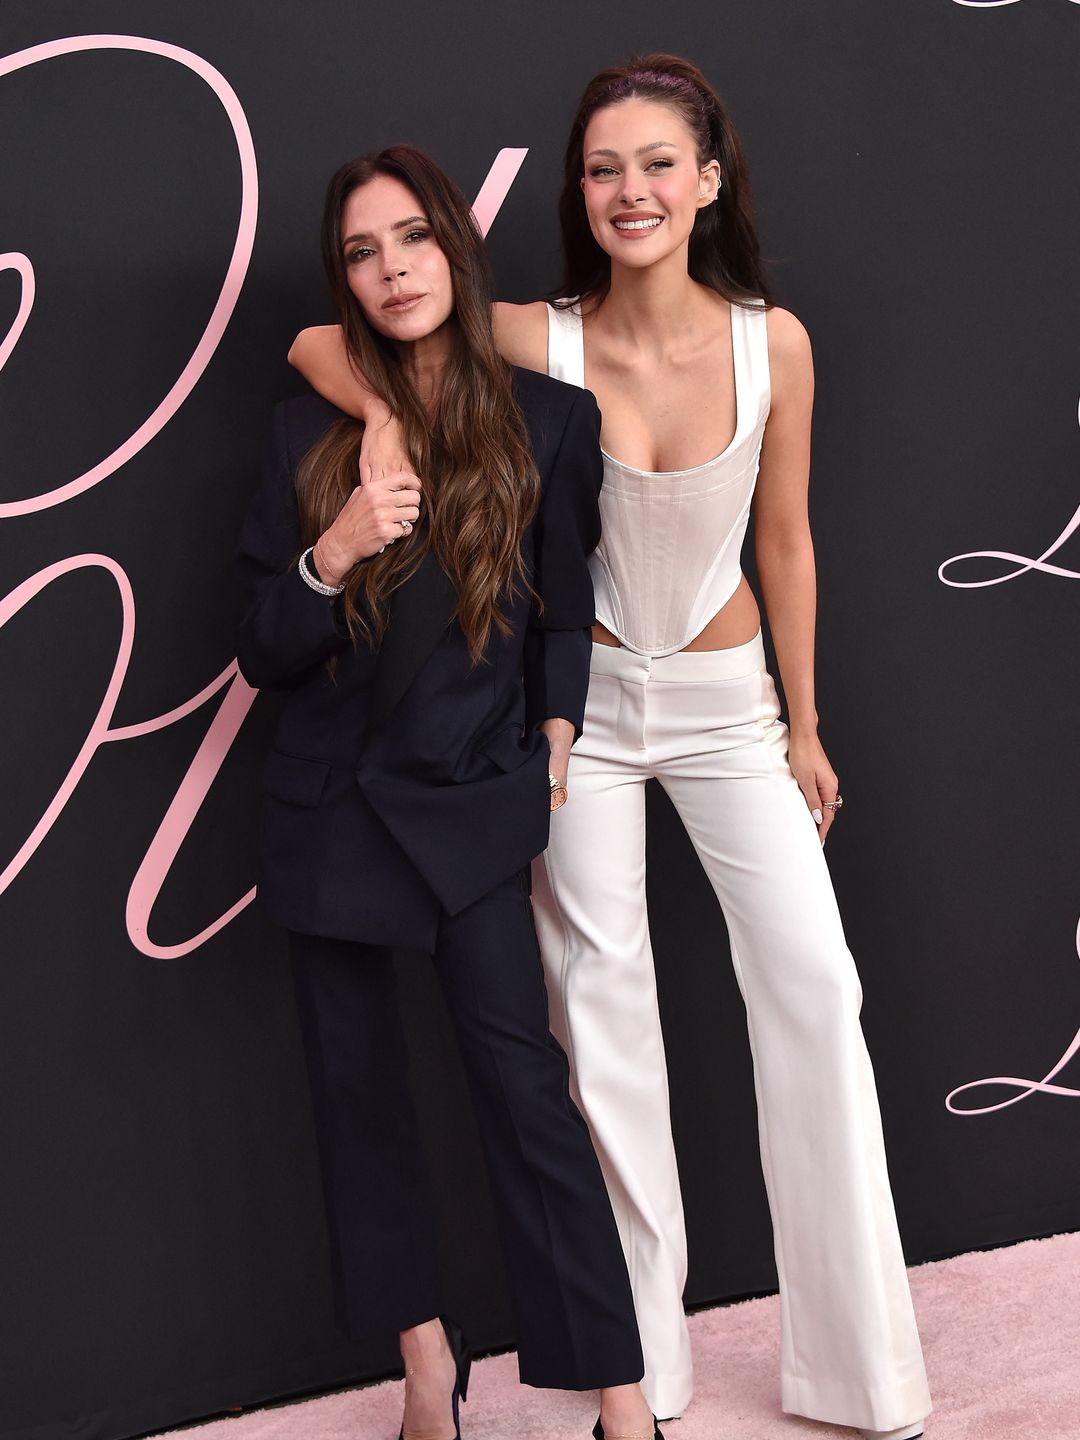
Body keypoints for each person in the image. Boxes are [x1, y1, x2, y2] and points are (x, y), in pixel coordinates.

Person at [286, 56, 931, 1440]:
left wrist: (804, 727)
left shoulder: (777, 344)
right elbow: (330, 342)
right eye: (601, 168)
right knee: (599, 1020)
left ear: (708, 181)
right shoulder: (534, 336)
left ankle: (861, 1375)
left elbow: (788, 540)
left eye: (656, 164)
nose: (627, 190)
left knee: (816, 989)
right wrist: (391, 415)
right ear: (579, 192)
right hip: (573, 724)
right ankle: (650, 1367)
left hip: (724, 704)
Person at [238, 143, 662, 1440]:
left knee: (525, 1093)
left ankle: (623, 1395)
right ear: (344, 278)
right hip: (331, 811)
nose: (390, 269)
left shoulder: (550, 421)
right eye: (361, 251)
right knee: (355, 1099)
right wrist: (336, 549)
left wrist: (554, 725)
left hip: (469, 804)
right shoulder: (306, 424)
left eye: (411, 239)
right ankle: (427, 1364)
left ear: (454, 251)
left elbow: (565, 614)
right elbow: (262, 645)